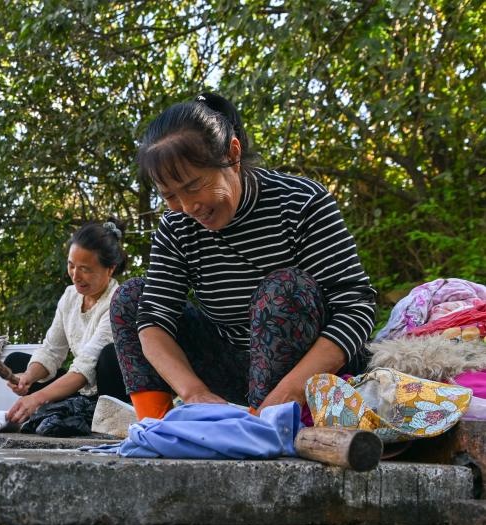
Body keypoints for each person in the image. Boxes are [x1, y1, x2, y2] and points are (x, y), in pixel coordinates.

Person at [111, 92, 376, 421]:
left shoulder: (300, 202)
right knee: (132, 298)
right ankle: (159, 426)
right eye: (170, 196)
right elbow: (154, 319)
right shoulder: (176, 226)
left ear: (232, 154)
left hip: (311, 374)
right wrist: (194, 393)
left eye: (194, 186)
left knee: (285, 288)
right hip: (235, 367)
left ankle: (263, 427)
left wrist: (292, 390)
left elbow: (356, 309)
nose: (189, 207)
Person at [4, 221, 129, 424]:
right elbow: (52, 350)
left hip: (110, 390)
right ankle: (74, 409)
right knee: (16, 361)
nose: (75, 276)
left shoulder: (118, 301)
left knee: (109, 355)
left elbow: (87, 365)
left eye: (85, 269)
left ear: (110, 269)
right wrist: (28, 376)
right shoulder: (70, 295)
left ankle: (100, 417)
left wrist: (37, 398)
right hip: (81, 391)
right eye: (71, 265)